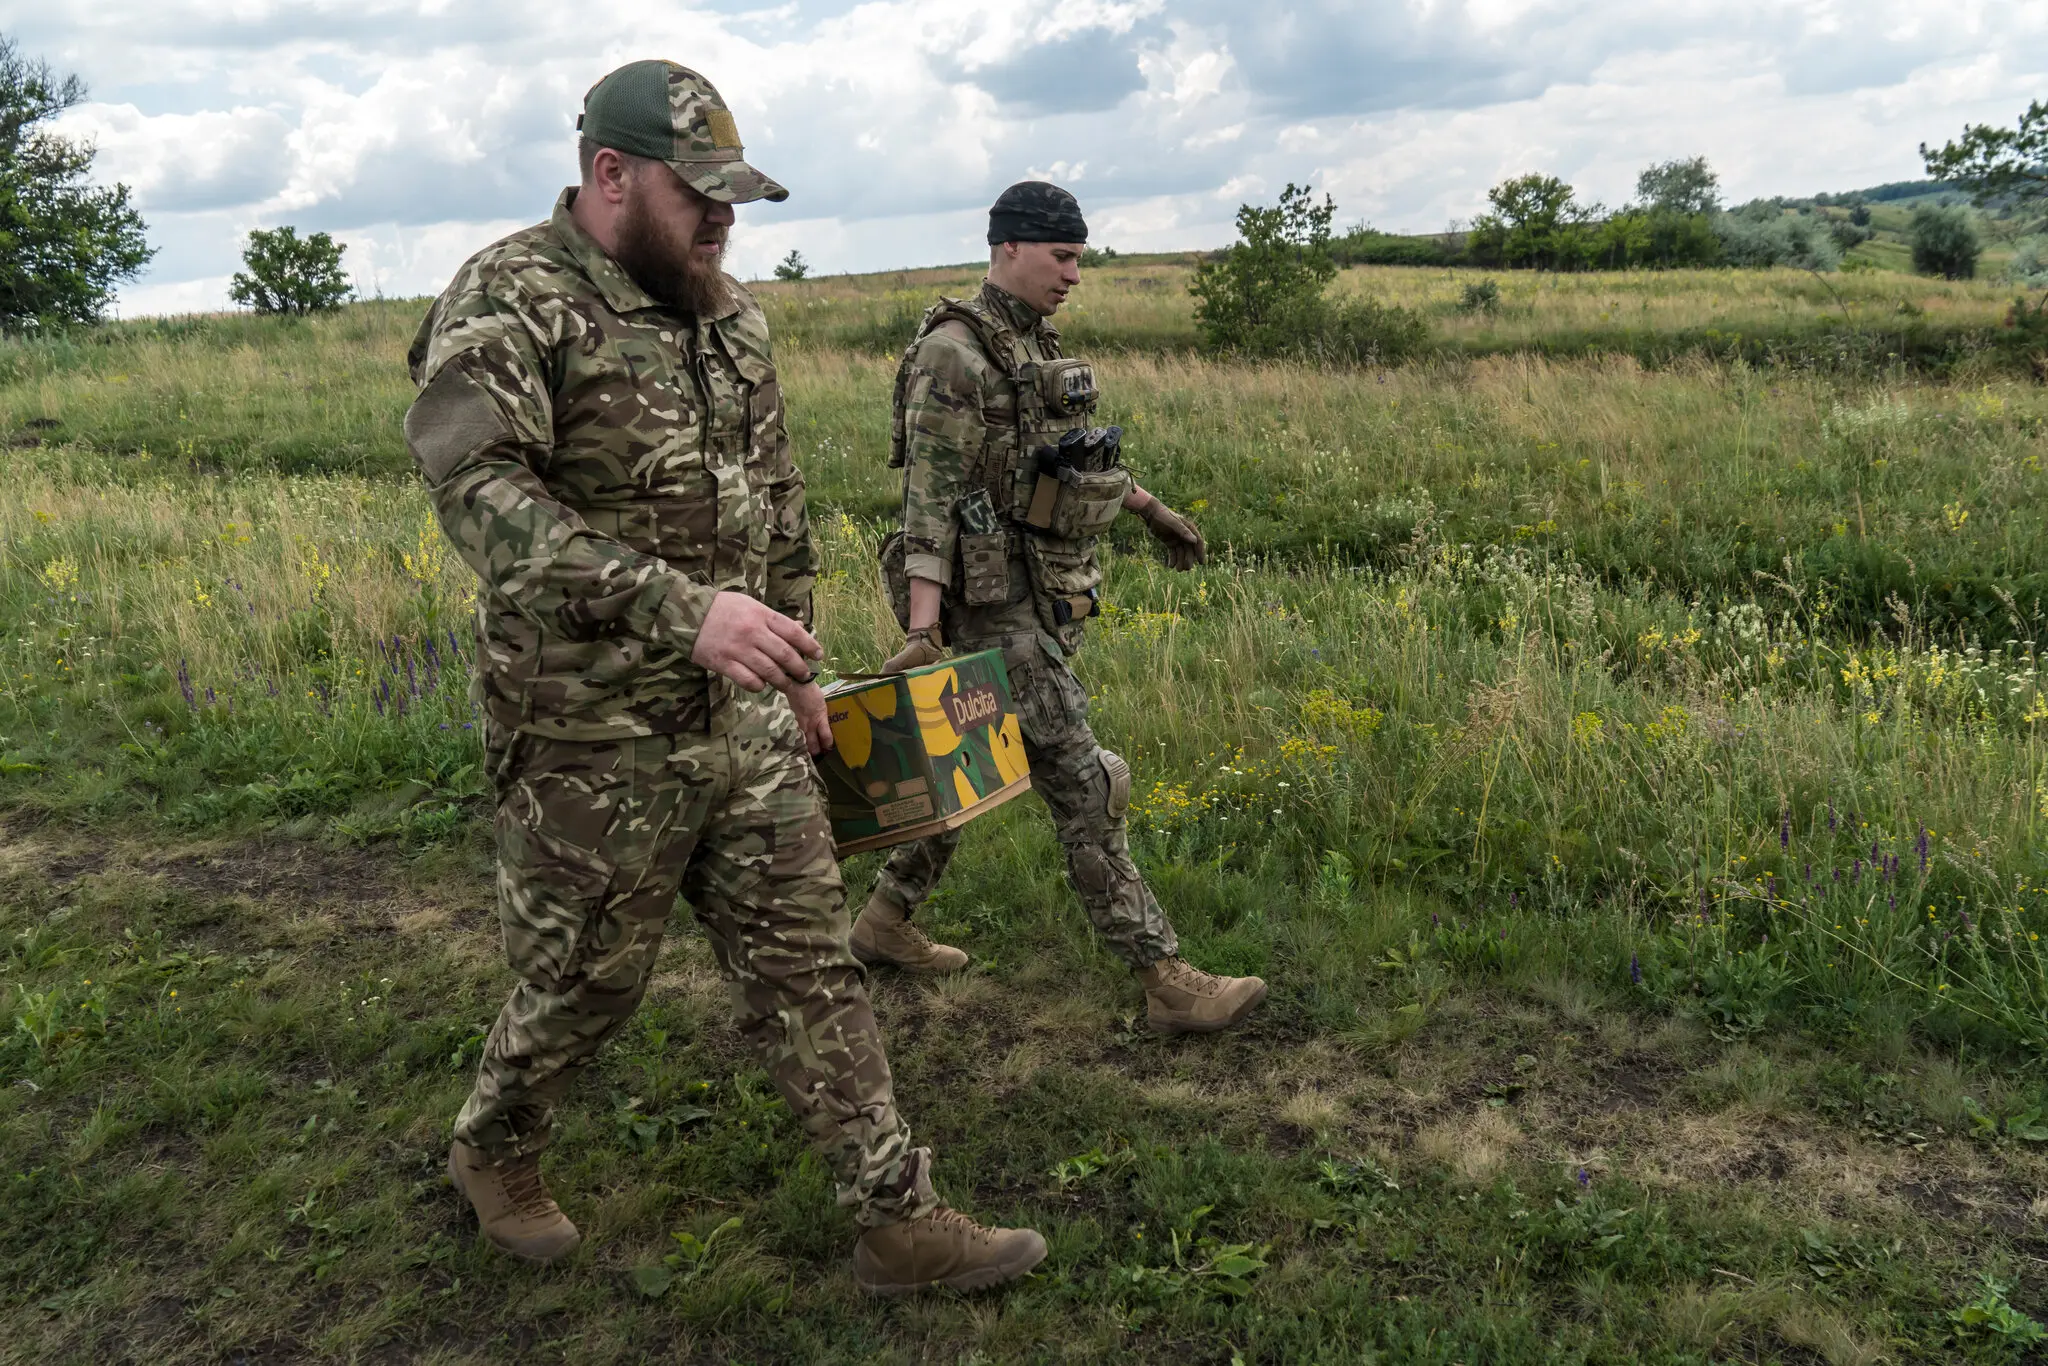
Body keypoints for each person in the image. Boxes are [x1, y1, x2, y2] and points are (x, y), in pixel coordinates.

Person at [404, 59, 1044, 1296]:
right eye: (698, 193)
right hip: (585, 733)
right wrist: (680, 610)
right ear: (609, 175)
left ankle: (896, 1217)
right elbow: (480, 499)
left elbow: (776, 504)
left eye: (733, 198)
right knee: (585, 983)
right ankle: (493, 1145)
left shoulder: (731, 314)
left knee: (807, 961)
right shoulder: (509, 298)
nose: (722, 218)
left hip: (745, 719)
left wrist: (798, 663)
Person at [853, 181, 1269, 1036]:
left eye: (1080, 257)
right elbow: (926, 504)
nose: (1075, 274)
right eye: (1062, 256)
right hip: (984, 609)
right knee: (1085, 782)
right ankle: (1166, 980)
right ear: (1008, 247)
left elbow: (1067, 463)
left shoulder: (1031, 347)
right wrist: (923, 630)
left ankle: (883, 924)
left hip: (1030, 597)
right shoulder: (954, 357)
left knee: (967, 766)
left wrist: (1150, 510)